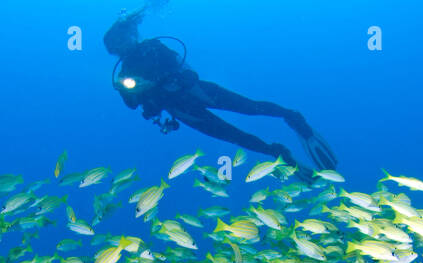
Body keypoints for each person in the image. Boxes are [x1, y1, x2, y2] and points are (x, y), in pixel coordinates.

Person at [102, 8, 337, 175]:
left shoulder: (153, 47)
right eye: (114, 47)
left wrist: (171, 80)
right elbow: (134, 105)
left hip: (197, 91)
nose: (119, 48)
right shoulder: (123, 73)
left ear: (130, 36)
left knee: (250, 107)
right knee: (232, 136)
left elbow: (187, 70)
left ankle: (292, 116)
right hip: (182, 111)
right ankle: (276, 153)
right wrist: (125, 91)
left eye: (120, 41)